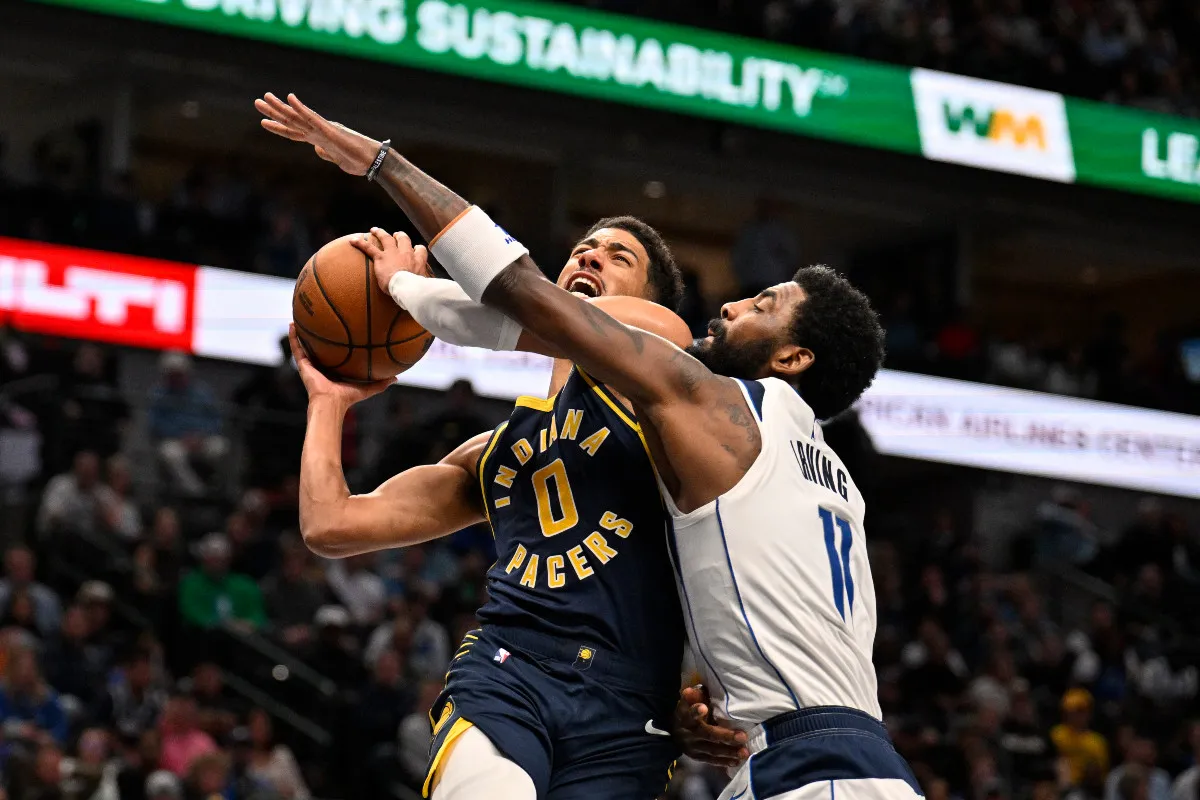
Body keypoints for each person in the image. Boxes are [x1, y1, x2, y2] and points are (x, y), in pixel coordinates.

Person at [254, 92, 912, 800]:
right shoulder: (502, 449)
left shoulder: (667, 361)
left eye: (618, 255)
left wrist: (403, 275)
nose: (591, 255)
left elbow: (524, 299)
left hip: (630, 705)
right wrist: (328, 402)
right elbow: (332, 525)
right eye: (583, 248)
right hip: (514, 666)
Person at [147, 351, 228, 497]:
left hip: (202, 439)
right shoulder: (159, 395)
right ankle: (196, 493)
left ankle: (215, 487)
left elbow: (216, 420)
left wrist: (200, 435)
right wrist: (181, 437)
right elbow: (155, 425)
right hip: (176, 441)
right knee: (170, 454)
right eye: (173, 374)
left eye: (180, 374)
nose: (177, 378)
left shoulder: (202, 393)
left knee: (220, 447)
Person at [178, 533, 266, 632]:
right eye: (213, 558)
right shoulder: (190, 585)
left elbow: (257, 615)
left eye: (222, 559)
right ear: (204, 559)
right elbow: (192, 615)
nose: (217, 563)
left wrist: (250, 623)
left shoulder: (246, 586)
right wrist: (226, 625)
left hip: (243, 641)